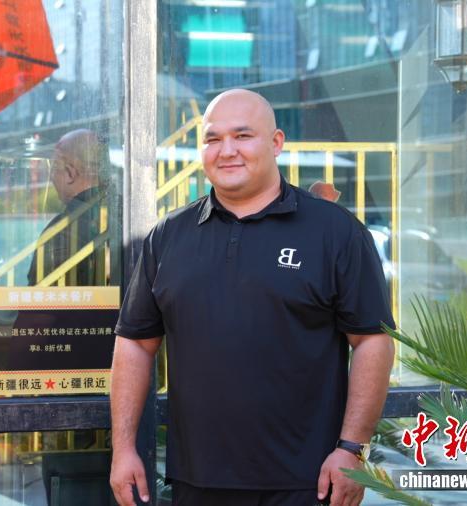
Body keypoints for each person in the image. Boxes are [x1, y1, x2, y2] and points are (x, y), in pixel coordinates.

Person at [109, 89, 395, 506]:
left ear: (276, 143)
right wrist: (123, 449)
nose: (227, 151)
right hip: (196, 481)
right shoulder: (168, 236)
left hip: (308, 482)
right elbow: (135, 343)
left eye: (242, 136)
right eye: (213, 139)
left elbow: (372, 341)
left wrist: (351, 449)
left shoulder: (335, 232)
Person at [27, 129, 112, 287]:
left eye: (54, 169)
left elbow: (40, 296)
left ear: (70, 173)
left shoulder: (61, 231)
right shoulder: (127, 215)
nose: (51, 178)